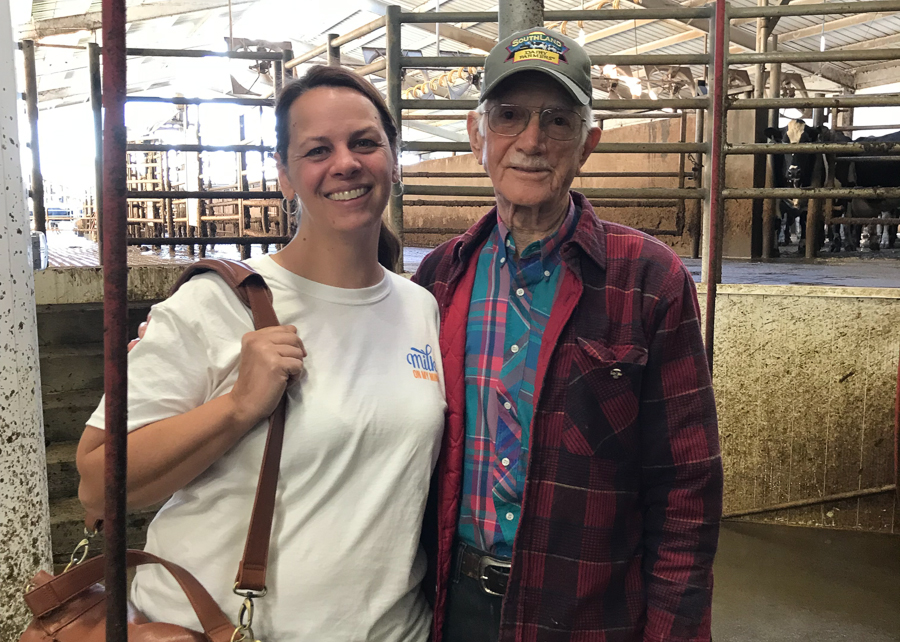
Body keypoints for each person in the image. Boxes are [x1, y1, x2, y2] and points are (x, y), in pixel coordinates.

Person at [76, 65, 446, 641]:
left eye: (365, 142)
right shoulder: (216, 304)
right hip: (235, 631)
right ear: (284, 176)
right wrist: (236, 408)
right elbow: (97, 484)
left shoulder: (422, 309)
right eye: (317, 150)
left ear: (392, 159)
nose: (345, 163)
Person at [413, 28, 723, 642]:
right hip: (450, 605)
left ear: (588, 143)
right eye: (509, 117)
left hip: (589, 614)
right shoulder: (438, 278)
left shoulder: (649, 281)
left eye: (557, 121)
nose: (531, 142)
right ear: (478, 137)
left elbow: (686, 489)